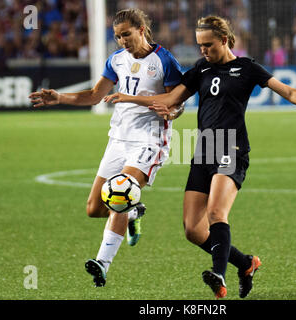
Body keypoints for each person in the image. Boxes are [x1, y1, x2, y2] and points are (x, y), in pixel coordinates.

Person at [104, 15, 296, 299]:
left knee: (216, 212)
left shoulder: (247, 68)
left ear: (226, 40)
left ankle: (218, 274)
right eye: (199, 45)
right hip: (204, 149)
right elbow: (170, 100)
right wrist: (129, 97)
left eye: (208, 45)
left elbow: (287, 90)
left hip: (232, 148)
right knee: (193, 229)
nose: (203, 50)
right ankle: (245, 263)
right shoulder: (201, 69)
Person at [29, 8, 183, 287]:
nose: (123, 40)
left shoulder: (164, 60)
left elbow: (177, 101)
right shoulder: (116, 60)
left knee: (121, 193)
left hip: (149, 140)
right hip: (118, 139)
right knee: (94, 208)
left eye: (127, 34)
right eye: (117, 36)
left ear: (141, 30)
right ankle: (134, 212)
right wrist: (59, 97)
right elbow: (93, 95)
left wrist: (167, 112)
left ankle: (102, 263)